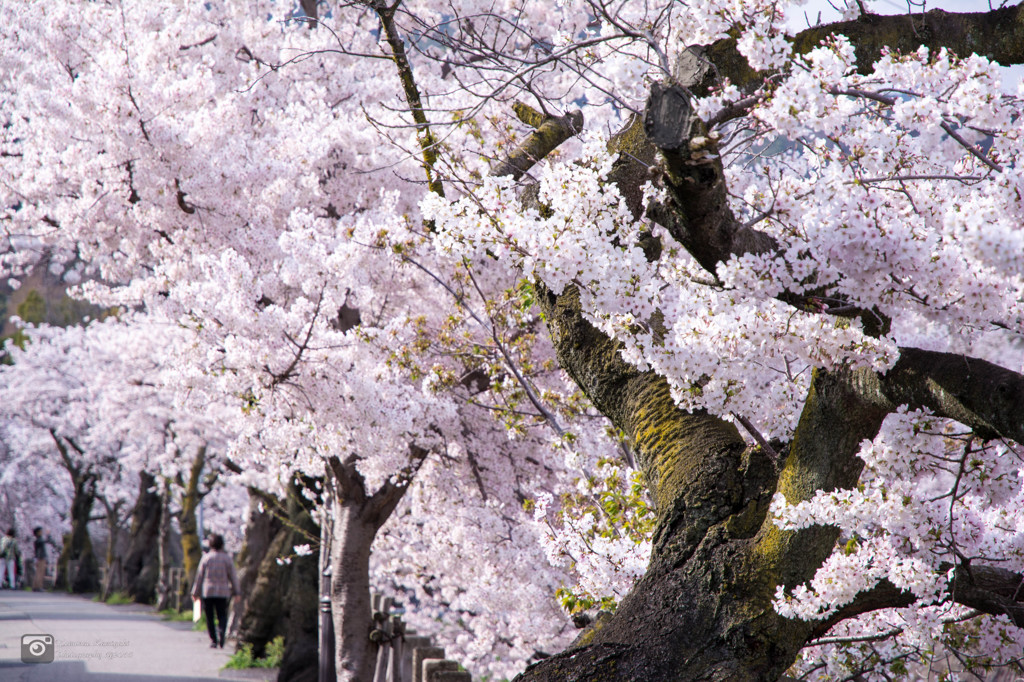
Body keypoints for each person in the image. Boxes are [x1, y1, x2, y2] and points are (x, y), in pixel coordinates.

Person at [190, 534, 240, 648]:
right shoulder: (227, 559)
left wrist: (195, 593)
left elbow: (199, 577)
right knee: (222, 614)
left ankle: (213, 639)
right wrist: (237, 592)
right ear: (222, 544)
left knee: (209, 616)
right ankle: (222, 634)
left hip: (208, 591)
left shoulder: (206, 558)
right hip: (223, 592)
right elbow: (233, 576)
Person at [31, 527, 55, 592]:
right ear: (38, 532)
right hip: (41, 557)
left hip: (38, 557)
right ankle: (39, 586)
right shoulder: (39, 540)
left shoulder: (37, 540)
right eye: (40, 531)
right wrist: (48, 535)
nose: (41, 532)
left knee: (38, 572)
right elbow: (47, 541)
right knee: (40, 572)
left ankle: (35, 586)